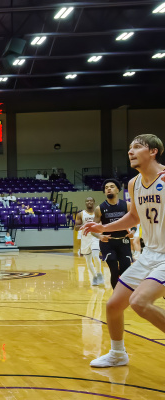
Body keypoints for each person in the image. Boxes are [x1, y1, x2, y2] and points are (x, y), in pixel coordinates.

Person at [82, 134, 165, 368]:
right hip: (150, 254)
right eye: (129, 148)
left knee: (140, 302)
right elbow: (134, 217)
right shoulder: (134, 183)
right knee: (113, 305)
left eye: (137, 147)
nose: (130, 151)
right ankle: (118, 354)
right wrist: (103, 227)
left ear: (153, 152)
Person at [92, 179, 133, 289]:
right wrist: (100, 236)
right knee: (114, 270)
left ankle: (123, 291)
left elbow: (135, 222)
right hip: (108, 243)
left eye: (111, 186)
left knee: (125, 270)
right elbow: (93, 229)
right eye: (106, 188)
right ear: (104, 192)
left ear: (118, 190)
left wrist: (133, 231)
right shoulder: (100, 208)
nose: (108, 189)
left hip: (123, 241)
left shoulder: (127, 205)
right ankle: (116, 294)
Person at [74, 197, 104, 286]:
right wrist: (86, 225)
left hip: (95, 237)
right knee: (88, 261)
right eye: (87, 201)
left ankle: (99, 274)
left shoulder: (98, 213)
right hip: (85, 238)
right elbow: (76, 228)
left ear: (94, 202)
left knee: (96, 256)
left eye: (91, 200)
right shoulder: (81, 214)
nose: (89, 202)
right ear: (85, 203)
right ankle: (94, 276)